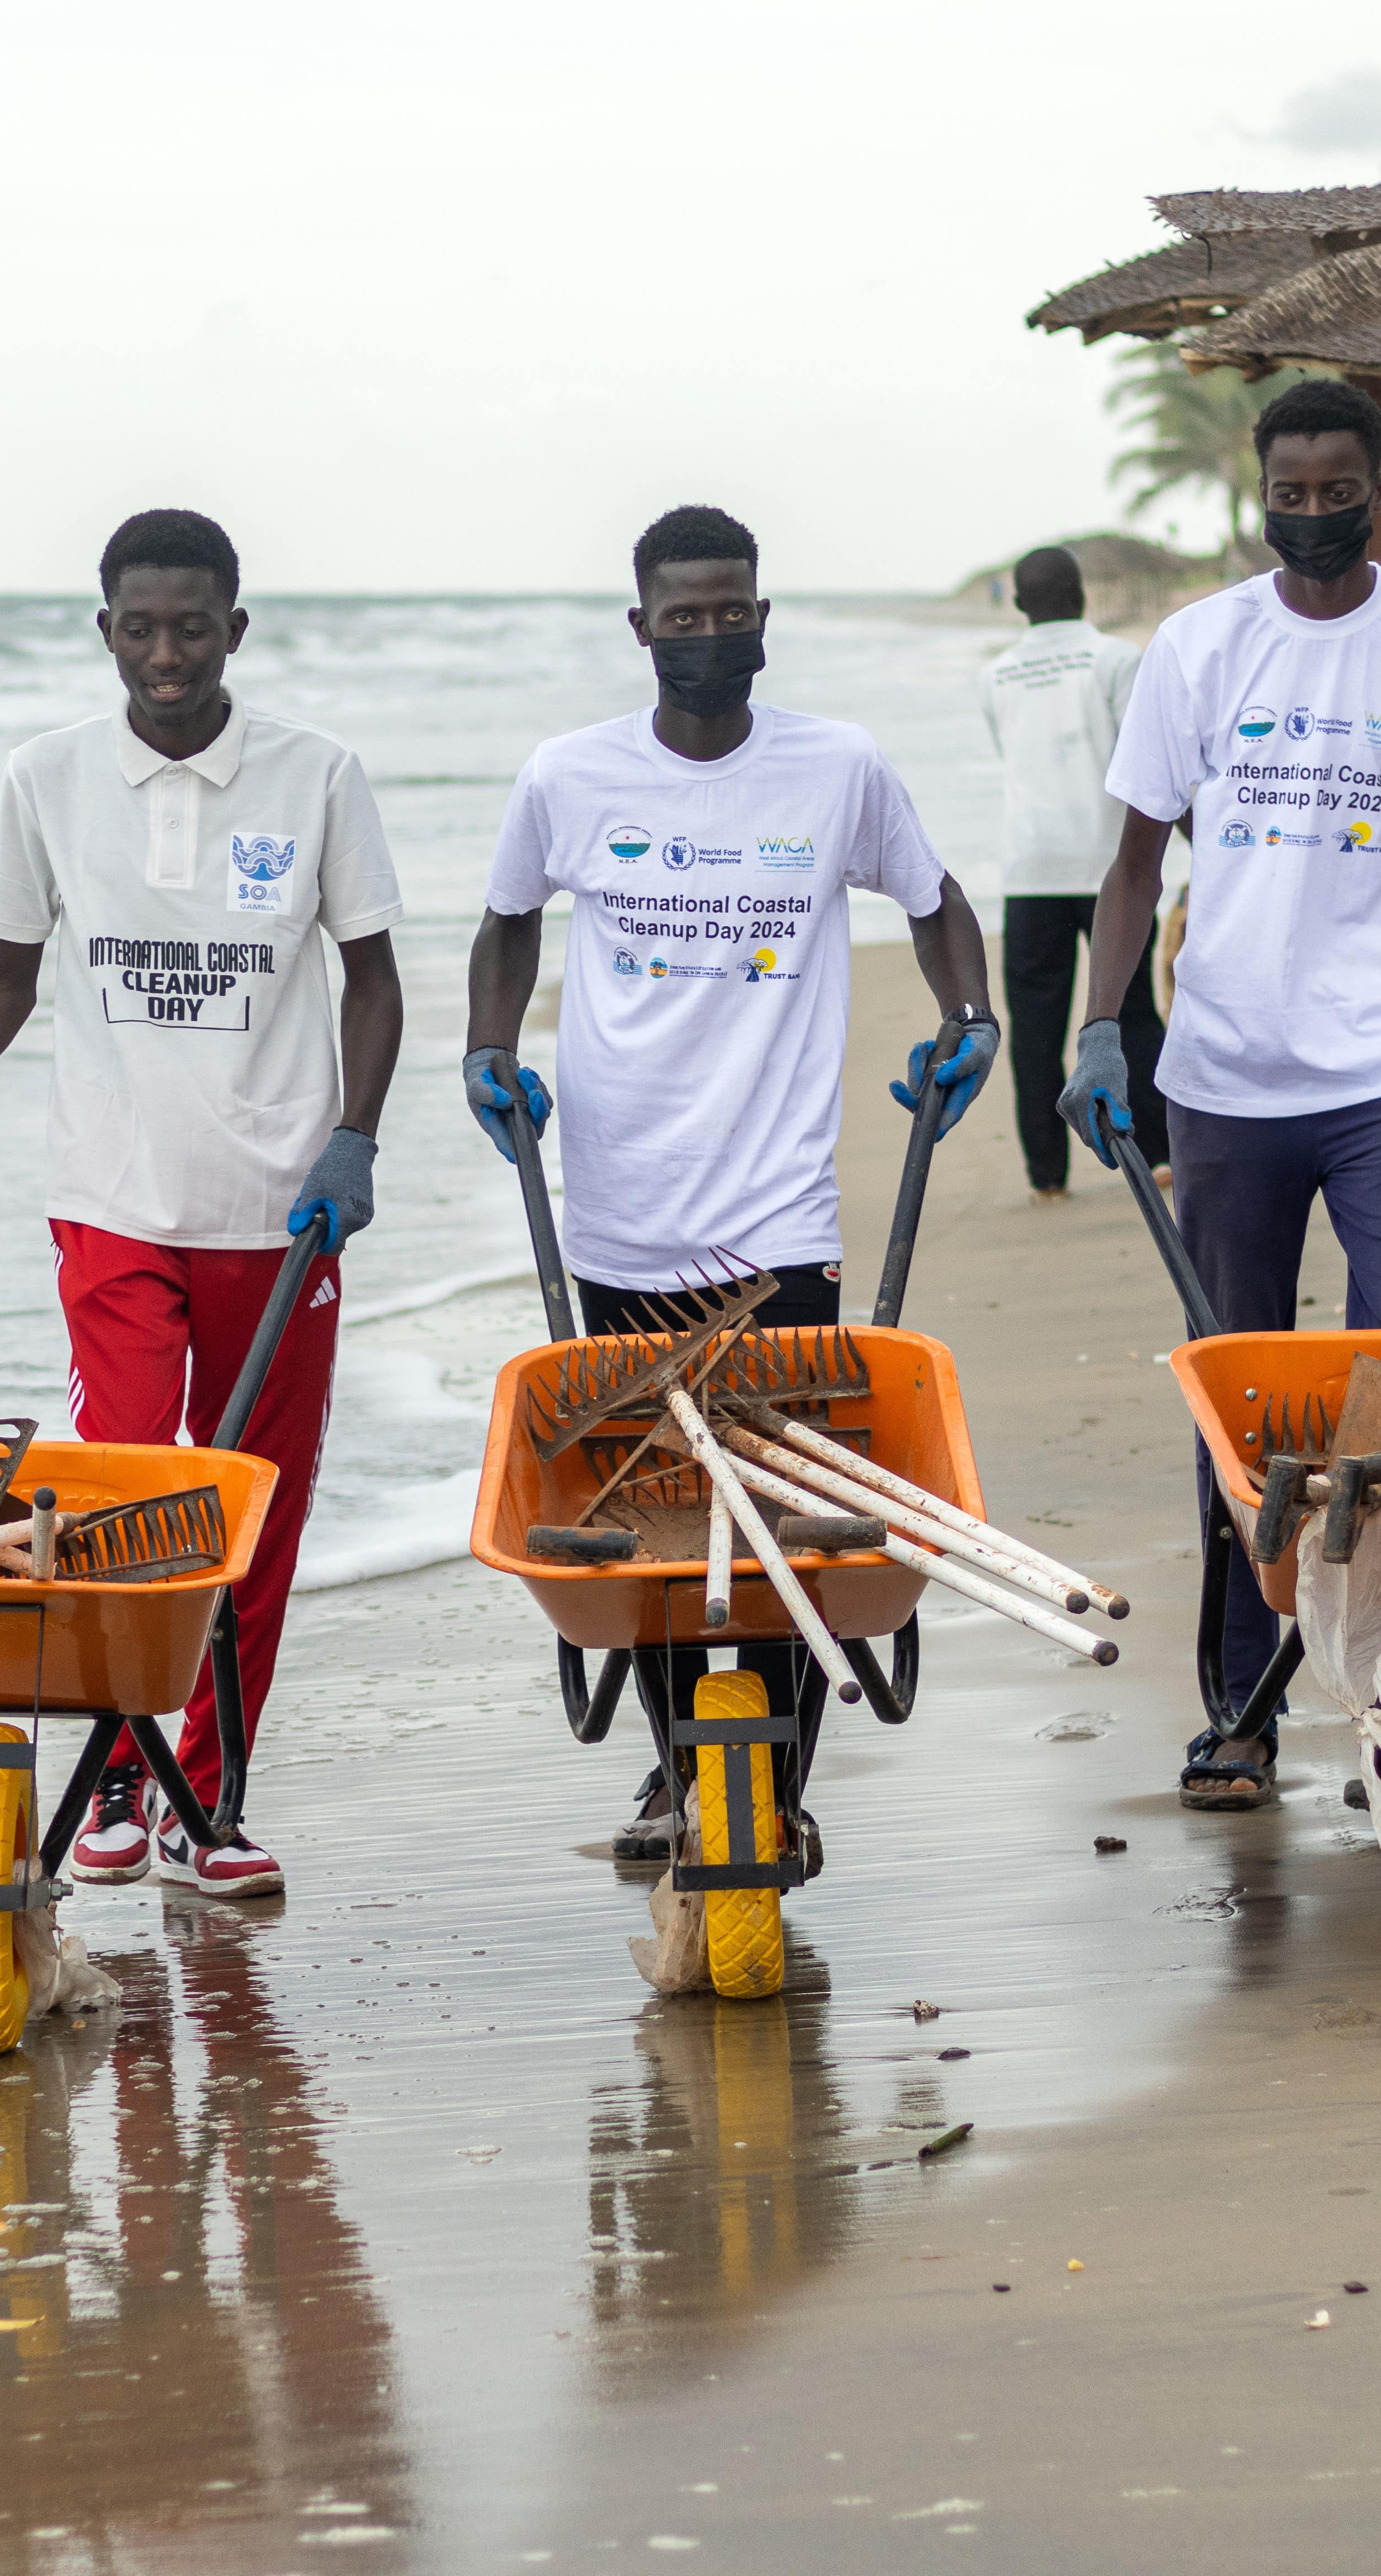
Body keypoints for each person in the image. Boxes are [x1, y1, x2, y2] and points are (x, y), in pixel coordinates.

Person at [0, 509, 402, 1900]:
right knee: (134, 1496)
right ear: (105, 630)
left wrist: (354, 1139)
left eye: (192, 624)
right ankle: (121, 1781)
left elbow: (375, 975)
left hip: (281, 1214)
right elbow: (2, 979)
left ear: (234, 629)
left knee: (249, 1509)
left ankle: (210, 1790)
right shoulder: (46, 779)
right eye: (139, 626)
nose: (166, 652)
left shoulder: (317, 775)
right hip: (113, 1198)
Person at [1055, 379, 1381, 1811]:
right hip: (1222, 1080)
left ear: (1379, 490)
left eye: (1342, 488)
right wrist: (1101, 1029)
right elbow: (1136, 861)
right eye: (1294, 488)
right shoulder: (1202, 647)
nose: (1317, 510)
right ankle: (1244, 1702)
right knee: (1246, 1414)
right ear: (1259, 488)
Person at [463, 502, 995, 1862]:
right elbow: (507, 922)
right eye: (684, 617)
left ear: (765, 615)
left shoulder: (840, 768)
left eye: (733, 611)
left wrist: (972, 1019)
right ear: (640, 629)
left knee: (784, 1512)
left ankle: (781, 1780)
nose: (712, 635)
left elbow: (934, 899)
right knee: (645, 1515)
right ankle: (673, 1766)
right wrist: (485, 1050)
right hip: (622, 1207)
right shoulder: (568, 776)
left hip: (778, 1212)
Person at [979, 546, 1167, 1199]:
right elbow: (1143, 757)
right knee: (1132, 1010)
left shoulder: (995, 675)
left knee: (1034, 1026)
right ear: (1082, 594)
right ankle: (1159, 1150)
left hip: (1029, 865)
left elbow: (1010, 754)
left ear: (1022, 605)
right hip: (1112, 865)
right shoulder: (1116, 659)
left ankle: (1047, 1175)